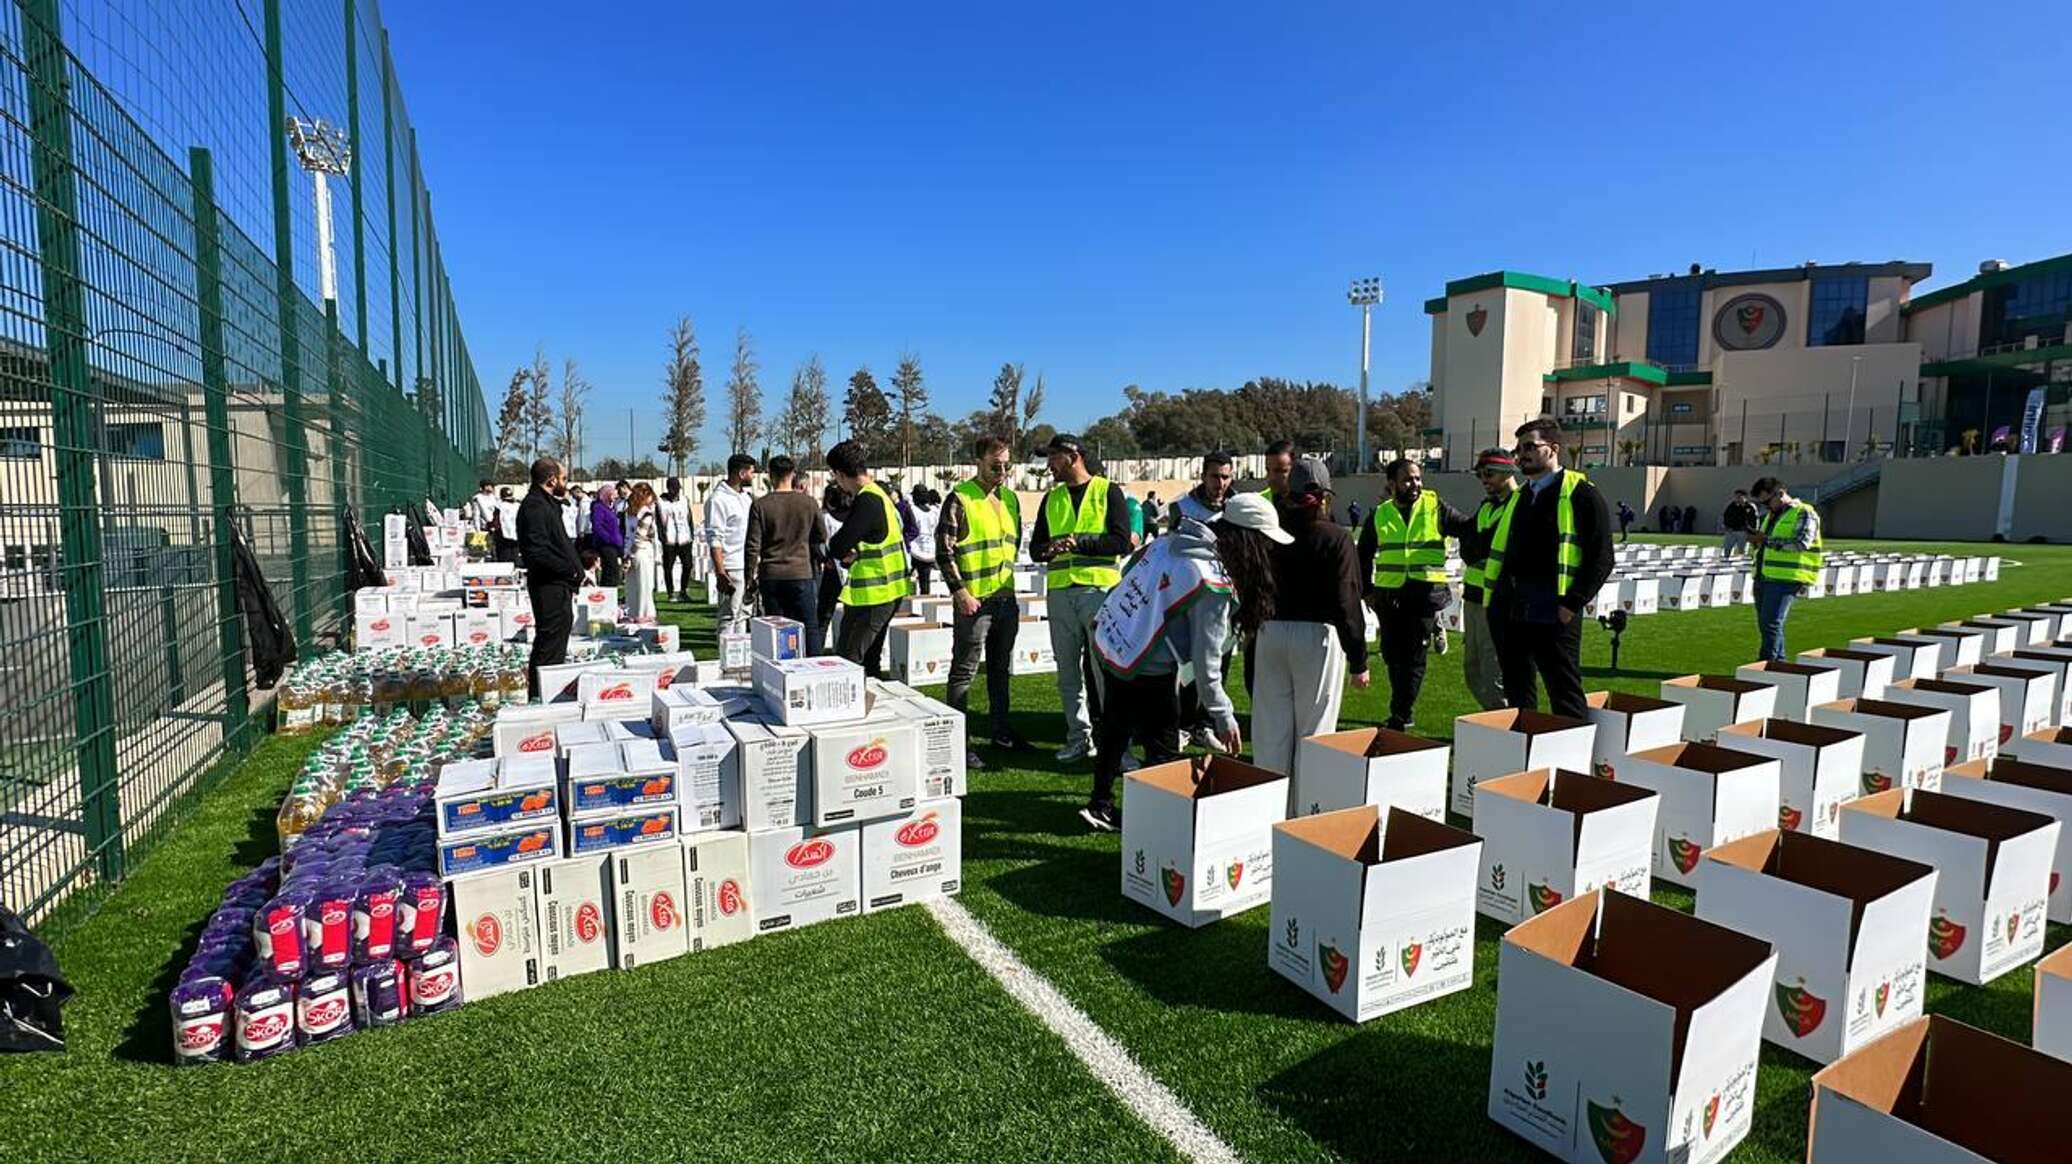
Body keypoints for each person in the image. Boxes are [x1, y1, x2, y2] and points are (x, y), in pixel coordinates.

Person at [1079, 492, 1287, 831]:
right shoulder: (1212, 581)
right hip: (1148, 663)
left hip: (1116, 644)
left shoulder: (1170, 542)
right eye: (1265, 542)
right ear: (1249, 541)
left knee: (1116, 729)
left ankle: (1100, 803)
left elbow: (1130, 572)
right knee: (1162, 749)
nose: (1269, 550)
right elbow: (1207, 662)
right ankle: (1158, 825)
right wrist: (1223, 715)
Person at [1488, 418, 1615, 719]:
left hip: (1555, 610)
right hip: (1514, 609)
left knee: (1564, 691)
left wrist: (1571, 604)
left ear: (1553, 449)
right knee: (1518, 691)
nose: (1522, 455)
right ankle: (1525, 743)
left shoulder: (1582, 493)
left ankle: (1572, 747)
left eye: (1530, 447)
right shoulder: (1520, 497)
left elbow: (1602, 557)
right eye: (1519, 449)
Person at [1252, 458, 1369, 779]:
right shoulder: (1336, 537)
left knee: (1270, 734)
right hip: (1317, 638)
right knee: (1314, 734)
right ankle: (1307, 807)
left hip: (1270, 632)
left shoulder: (1269, 534)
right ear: (1326, 497)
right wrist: (1358, 659)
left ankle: (1267, 803)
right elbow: (1347, 601)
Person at [1031, 434, 1133, 763]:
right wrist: (1051, 549)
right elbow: (1035, 549)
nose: (1049, 464)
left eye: (1053, 457)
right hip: (1060, 593)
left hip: (1100, 592)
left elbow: (1121, 542)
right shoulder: (1052, 498)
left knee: (1106, 674)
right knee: (1067, 674)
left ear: (1073, 457)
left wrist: (1080, 543)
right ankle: (1078, 738)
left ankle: (1119, 747)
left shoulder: (1108, 491)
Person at [1358, 458, 1473, 730]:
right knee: (1391, 655)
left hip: (1424, 596)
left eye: (1418, 478)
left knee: (1413, 658)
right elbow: (1362, 555)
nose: (1415, 484)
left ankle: (1401, 714)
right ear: (1392, 484)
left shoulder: (1436, 506)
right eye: (1408, 479)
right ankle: (1401, 706)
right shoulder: (1380, 514)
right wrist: (1366, 591)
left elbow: (1467, 528)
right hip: (1388, 596)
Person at [938, 437, 1031, 766]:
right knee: (963, 673)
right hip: (974, 603)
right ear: (978, 462)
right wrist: (960, 592)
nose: (1002, 471)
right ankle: (959, 743)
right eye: (995, 465)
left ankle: (1001, 731)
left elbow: (1012, 545)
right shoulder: (960, 498)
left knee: (1000, 670)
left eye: (1007, 465)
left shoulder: (1011, 499)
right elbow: (944, 551)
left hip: (1006, 599)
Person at [825, 440, 912, 676]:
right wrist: (859, 552)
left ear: (840, 474)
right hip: (887, 591)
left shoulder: (866, 500)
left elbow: (838, 544)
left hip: (875, 594)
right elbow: (877, 538)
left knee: (848, 660)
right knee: (869, 660)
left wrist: (847, 552)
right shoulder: (879, 495)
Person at [1172, 451, 1237, 749]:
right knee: (1188, 663)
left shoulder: (1238, 508)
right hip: (1190, 597)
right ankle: (1185, 723)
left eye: (1225, 477)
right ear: (1203, 476)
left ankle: (1206, 723)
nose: (1220, 483)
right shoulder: (1182, 507)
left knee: (1219, 660)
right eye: (1214, 476)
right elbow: (1171, 549)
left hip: (1225, 598)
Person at [516, 458, 583, 698]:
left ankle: (548, 691)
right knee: (549, 643)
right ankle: (541, 695)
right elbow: (538, 552)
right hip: (548, 584)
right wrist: (569, 569)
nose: (566, 483)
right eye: (563, 478)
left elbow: (557, 544)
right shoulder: (534, 507)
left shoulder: (547, 504)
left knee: (556, 639)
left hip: (558, 583)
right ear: (552, 479)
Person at [744, 454, 826, 649]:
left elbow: (753, 546)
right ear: (793, 475)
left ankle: (782, 666)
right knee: (810, 627)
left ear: (770, 475)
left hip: (771, 575)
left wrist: (749, 578)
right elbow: (821, 535)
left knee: (777, 632)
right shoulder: (809, 503)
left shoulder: (761, 505)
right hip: (801, 572)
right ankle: (813, 663)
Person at [1458, 449, 1519, 712]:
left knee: (1493, 673)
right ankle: (1497, 720)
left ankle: (1504, 724)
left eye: (1489, 473)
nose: (1484, 479)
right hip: (1472, 597)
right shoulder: (1486, 506)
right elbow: (1469, 549)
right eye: (1480, 474)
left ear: (1508, 471)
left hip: (1497, 601)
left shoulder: (1519, 504)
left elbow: (1482, 545)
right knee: (1473, 672)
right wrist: (1476, 545)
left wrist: (1477, 545)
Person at [1749, 477, 1823, 662]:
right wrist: (1757, 541)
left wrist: (1766, 540)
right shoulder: (1772, 515)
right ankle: (1779, 663)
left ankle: (1767, 664)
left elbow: (1801, 543)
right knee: (1768, 624)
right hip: (1764, 576)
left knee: (1771, 623)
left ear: (1780, 494)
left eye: (1767, 502)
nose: (1766, 506)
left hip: (1787, 577)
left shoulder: (1804, 512)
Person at [705, 454, 755, 628]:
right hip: (731, 567)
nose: (753, 476)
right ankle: (726, 646)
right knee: (729, 616)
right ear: (741, 473)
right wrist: (721, 572)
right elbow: (714, 538)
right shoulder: (717, 499)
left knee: (744, 615)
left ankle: (740, 646)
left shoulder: (746, 497)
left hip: (747, 565)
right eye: (751, 472)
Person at [815, 482, 852, 656]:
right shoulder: (854, 517)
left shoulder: (826, 518)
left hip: (832, 570)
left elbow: (821, 543)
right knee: (849, 615)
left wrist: (825, 559)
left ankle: (817, 651)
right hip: (851, 569)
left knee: (824, 613)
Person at [623, 482, 660, 623]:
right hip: (642, 551)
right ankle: (645, 615)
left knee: (632, 587)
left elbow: (628, 536)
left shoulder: (629, 512)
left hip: (629, 551)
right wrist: (631, 554)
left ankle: (632, 613)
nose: (652, 499)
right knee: (645, 586)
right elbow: (640, 537)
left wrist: (627, 556)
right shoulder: (646, 513)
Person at [658, 477, 696, 602]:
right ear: (669, 489)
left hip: (685, 539)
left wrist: (691, 535)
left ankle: (683, 591)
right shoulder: (661, 503)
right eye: (674, 489)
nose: (676, 491)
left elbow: (689, 518)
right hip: (669, 540)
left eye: (678, 489)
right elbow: (659, 522)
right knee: (668, 567)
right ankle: (670, 593)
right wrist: (662, 538)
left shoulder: (684, 500)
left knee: (688, 565)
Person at [588, 484, 624, 586]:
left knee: (614, 571)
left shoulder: (610, 508)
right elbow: (597, 526)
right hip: (606, 545)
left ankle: (611, 590)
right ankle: (608, 591)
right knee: (610, 571)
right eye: (612, 494)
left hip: (614, 544)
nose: (615, 497)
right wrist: (608, 539)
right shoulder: (599, 508)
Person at [908, 486, 940, 596]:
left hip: (914, 549)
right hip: (929, 550)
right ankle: (925, 603)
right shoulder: (934, 512)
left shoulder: (913, 510)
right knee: (925, 583)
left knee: (905, 577)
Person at [1720, 489, 1759, 556]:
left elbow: (1754, 519)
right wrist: (1726, 526)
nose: (1737, 498)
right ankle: (1726, 559)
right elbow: (1726, 516)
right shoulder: (1731, 506)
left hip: (1743, 531)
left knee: (1742, 550)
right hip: (1731, 531)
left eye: (1739, 496)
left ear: (1745, 497)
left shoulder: (1750, 507)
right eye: (1736, 496)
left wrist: (1752, 531)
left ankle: (1741, 560)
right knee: (1727, 548)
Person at [491, 487, 520, 563]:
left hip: (503, 535)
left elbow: (496, 520)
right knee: (515, 555)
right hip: (517, 533)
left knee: (504, 557)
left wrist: (493, 529)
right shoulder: (518, 505)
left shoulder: (499, 506)